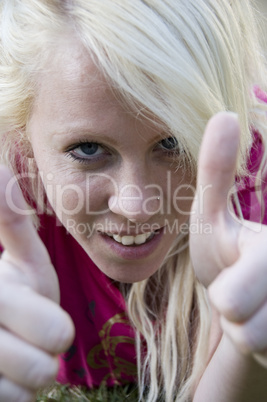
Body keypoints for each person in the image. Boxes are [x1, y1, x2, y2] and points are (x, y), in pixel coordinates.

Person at [0, 0, 267, 401]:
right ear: (22, 134)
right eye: (88, 149)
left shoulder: (250, 186)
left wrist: (244, 342)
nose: (136, 205)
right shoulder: (12, 201)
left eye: (172, 142)